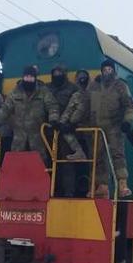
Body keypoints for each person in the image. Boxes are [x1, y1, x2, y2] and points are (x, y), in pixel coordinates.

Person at [0, 66, 60, 164]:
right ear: (23, 77)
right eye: (27, 77)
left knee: (40, 163)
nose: (29, 79)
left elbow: (52, 105)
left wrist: (53, 119)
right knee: (17, 162)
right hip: (19, 136)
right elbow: (5, 109)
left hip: (37, 135)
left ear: (35, 78)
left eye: (31, 77)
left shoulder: (43, 91)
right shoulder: (14, 93)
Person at [89, 59, 133, 198]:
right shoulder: (95, 86)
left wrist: (127, 121)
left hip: (115, 126)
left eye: (109, 69)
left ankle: (122, 184)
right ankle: (102, 186)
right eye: (104, 69)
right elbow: (87, 105)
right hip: (98, 127)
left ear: (113, 70)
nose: (107, 71)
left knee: (117, 155)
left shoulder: (121, 85)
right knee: (98, 157)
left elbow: (129, 105)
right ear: (101, 71)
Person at [47, 65, 82, 196]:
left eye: (60, 72)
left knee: (67, 161)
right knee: (48, 162)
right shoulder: (47, 88)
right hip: (49, 132)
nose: (57, 75)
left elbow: (79, 106)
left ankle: (68, 192)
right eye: (55, 72)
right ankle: (49, 190)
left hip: (67, 131)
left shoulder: (73, 89)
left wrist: (72, 124)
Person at [60, 69, 91, 160]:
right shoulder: (77, 95)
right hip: (81, 127)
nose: (82, 80)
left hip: (89, 126)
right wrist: (62, 124)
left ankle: (79, 152)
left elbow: (68, 111)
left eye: (83, 78)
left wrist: (63, 122)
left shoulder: (92, 94)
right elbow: (69, 110)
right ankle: (79, 152)